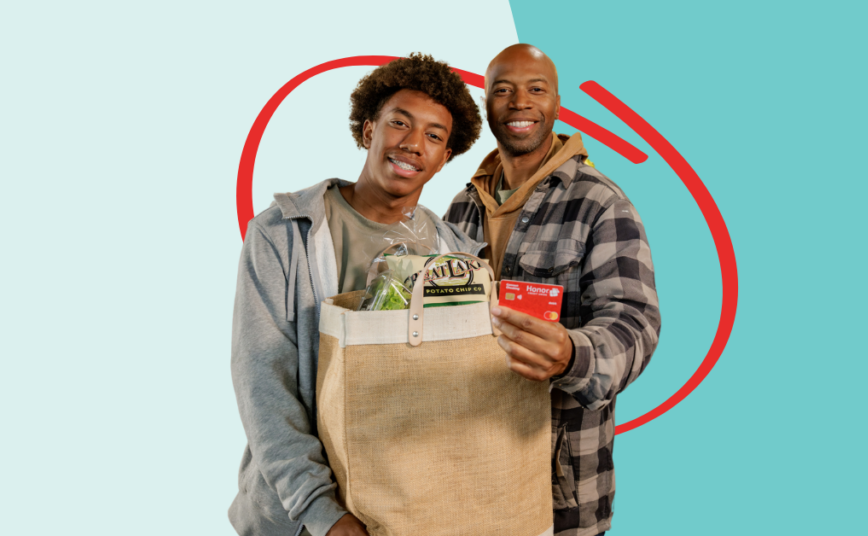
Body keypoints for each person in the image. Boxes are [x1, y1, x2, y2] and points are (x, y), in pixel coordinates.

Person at [229, 53, 484, 536]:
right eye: (399, 123)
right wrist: (322, 511)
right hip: (301, 516)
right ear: (369, 130)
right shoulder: (285, 234)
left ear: (446, 156)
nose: (412, 144)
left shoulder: (458, 255)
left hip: (409, 508)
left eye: (434, 135)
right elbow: (262, 383)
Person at [444, 44, 662, 536]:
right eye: (503, 90)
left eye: (535, 89)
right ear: (487, 105)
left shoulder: (600, 203)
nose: (520, 101)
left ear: (557, 104)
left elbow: (635, 321)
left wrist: (572, 355)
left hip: (560, 485)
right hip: (468, 474)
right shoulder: (461, 206)